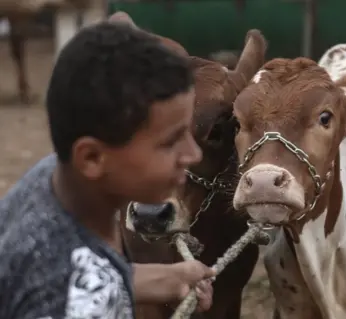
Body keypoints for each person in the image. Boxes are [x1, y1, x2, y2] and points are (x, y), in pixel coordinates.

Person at [0, 19, 215, 319]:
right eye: (170, 142)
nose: (192, 154)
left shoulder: (51, 179)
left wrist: (168, 279)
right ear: (91, 158)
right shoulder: (80, 303)